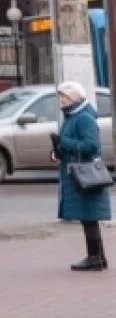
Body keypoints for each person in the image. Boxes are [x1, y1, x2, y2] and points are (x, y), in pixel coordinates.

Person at [52, 81, 110, 271]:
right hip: (80, 175)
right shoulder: (71, 117)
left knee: (89, 217)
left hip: (85, 175)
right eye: (60, 96)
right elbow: (70, 145)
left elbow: (91, 146)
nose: (61, 100)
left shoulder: (83, 118)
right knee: (88, 217)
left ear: (76, 98)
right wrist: (56, 150)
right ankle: (98, 257)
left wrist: (64, 142)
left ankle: (95, 258)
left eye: (66, 97)